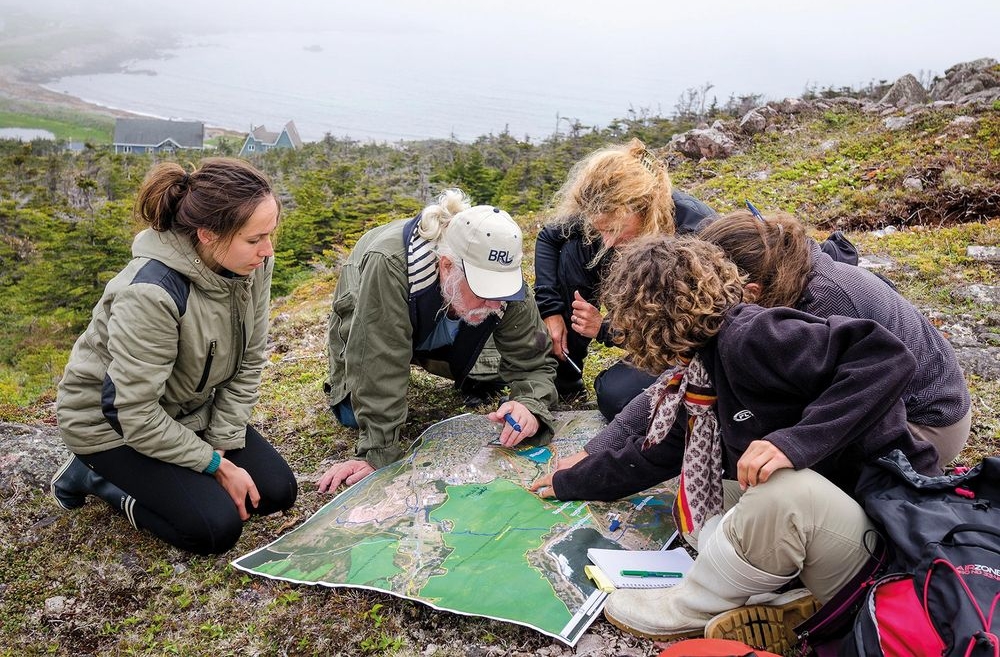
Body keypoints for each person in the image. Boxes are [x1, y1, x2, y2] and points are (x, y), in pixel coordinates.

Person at [529, 236, 938, 649]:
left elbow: (886, 356)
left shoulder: (753, 335)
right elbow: (659, 454)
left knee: (778, 492)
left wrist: (794, 443)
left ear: (652, 316)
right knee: (704, 491)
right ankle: (785, 598)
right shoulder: (705, 367)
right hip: (843, 519)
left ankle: (694, 604)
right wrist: (572, 482)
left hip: (885, 548)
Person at [51, 158, 297, 555]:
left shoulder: (253, 266)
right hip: (111, 425)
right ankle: (94, 477)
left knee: (275, 493)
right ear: (208, 235)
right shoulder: (151, 293)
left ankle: (180, 470)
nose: (268, 250)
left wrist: (219, 444)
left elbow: (250, 359)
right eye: (255, 240)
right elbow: (133, 414)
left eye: (270, 235)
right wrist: (217, 466)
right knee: (215, 529)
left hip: (185, 410)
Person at [318, 189, 558, 493]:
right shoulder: (389, 264)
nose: (496, 304)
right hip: (373, 303)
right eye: (485, 290)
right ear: (446, 266)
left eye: (502, 292)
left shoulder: (498, 274)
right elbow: (377, 356)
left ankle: (458, 356)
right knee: (353, 413)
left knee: (485, 361)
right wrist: (377, 454)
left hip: (445, 305)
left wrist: (530, 406)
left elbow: (532, 359)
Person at [698, 209, 971, 470]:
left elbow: (874, 379)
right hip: (908, 403)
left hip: (926, 423)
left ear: (751, 291)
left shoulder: (824, 300)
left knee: (782, 467)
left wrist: (791, 444)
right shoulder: (799, 271)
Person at [534, 137, 715, 405]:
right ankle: (565, 377)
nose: (607, 241)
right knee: (576, 248)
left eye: (614, 230)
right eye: (601, 229)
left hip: (688, 343)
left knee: (614, 395)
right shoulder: (608, 209)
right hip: (643, 320)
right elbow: (549, 238)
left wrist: (606, 329)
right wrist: (550, 311)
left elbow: (691, 332)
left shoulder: (695, 234)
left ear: (643, 209)